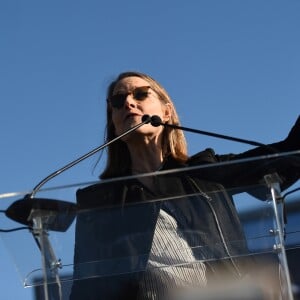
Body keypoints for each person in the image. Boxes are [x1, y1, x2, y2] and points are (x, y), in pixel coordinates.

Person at [69, 71, 300, 300]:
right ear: (114, 123)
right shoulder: (100, 201)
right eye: (118, 101)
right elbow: (86, 288)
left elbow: (290, 154)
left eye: (140, 95)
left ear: (166, 112)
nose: (129, 102)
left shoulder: (205, 172)